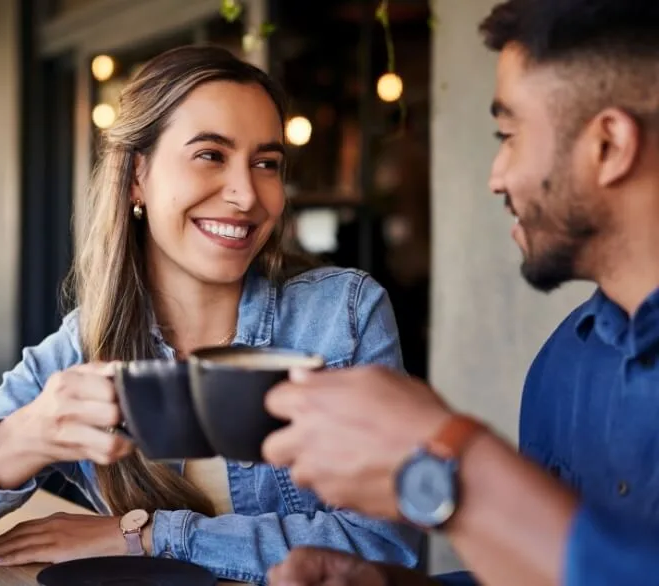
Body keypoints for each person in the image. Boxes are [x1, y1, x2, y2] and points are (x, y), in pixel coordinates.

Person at [0, 45, 422, 584]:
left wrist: (148, 535)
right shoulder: (85, 344)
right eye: (210, 155)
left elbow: (384, 545)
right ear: (136, 177)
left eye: (266, 163)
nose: (246, 195)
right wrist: (24, 437)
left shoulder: (341, 314)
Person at [261, 1, 659, 585]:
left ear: (608, 146)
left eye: (509, 135)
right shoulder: (563, 365)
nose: (497, 175)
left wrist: (452, 462)